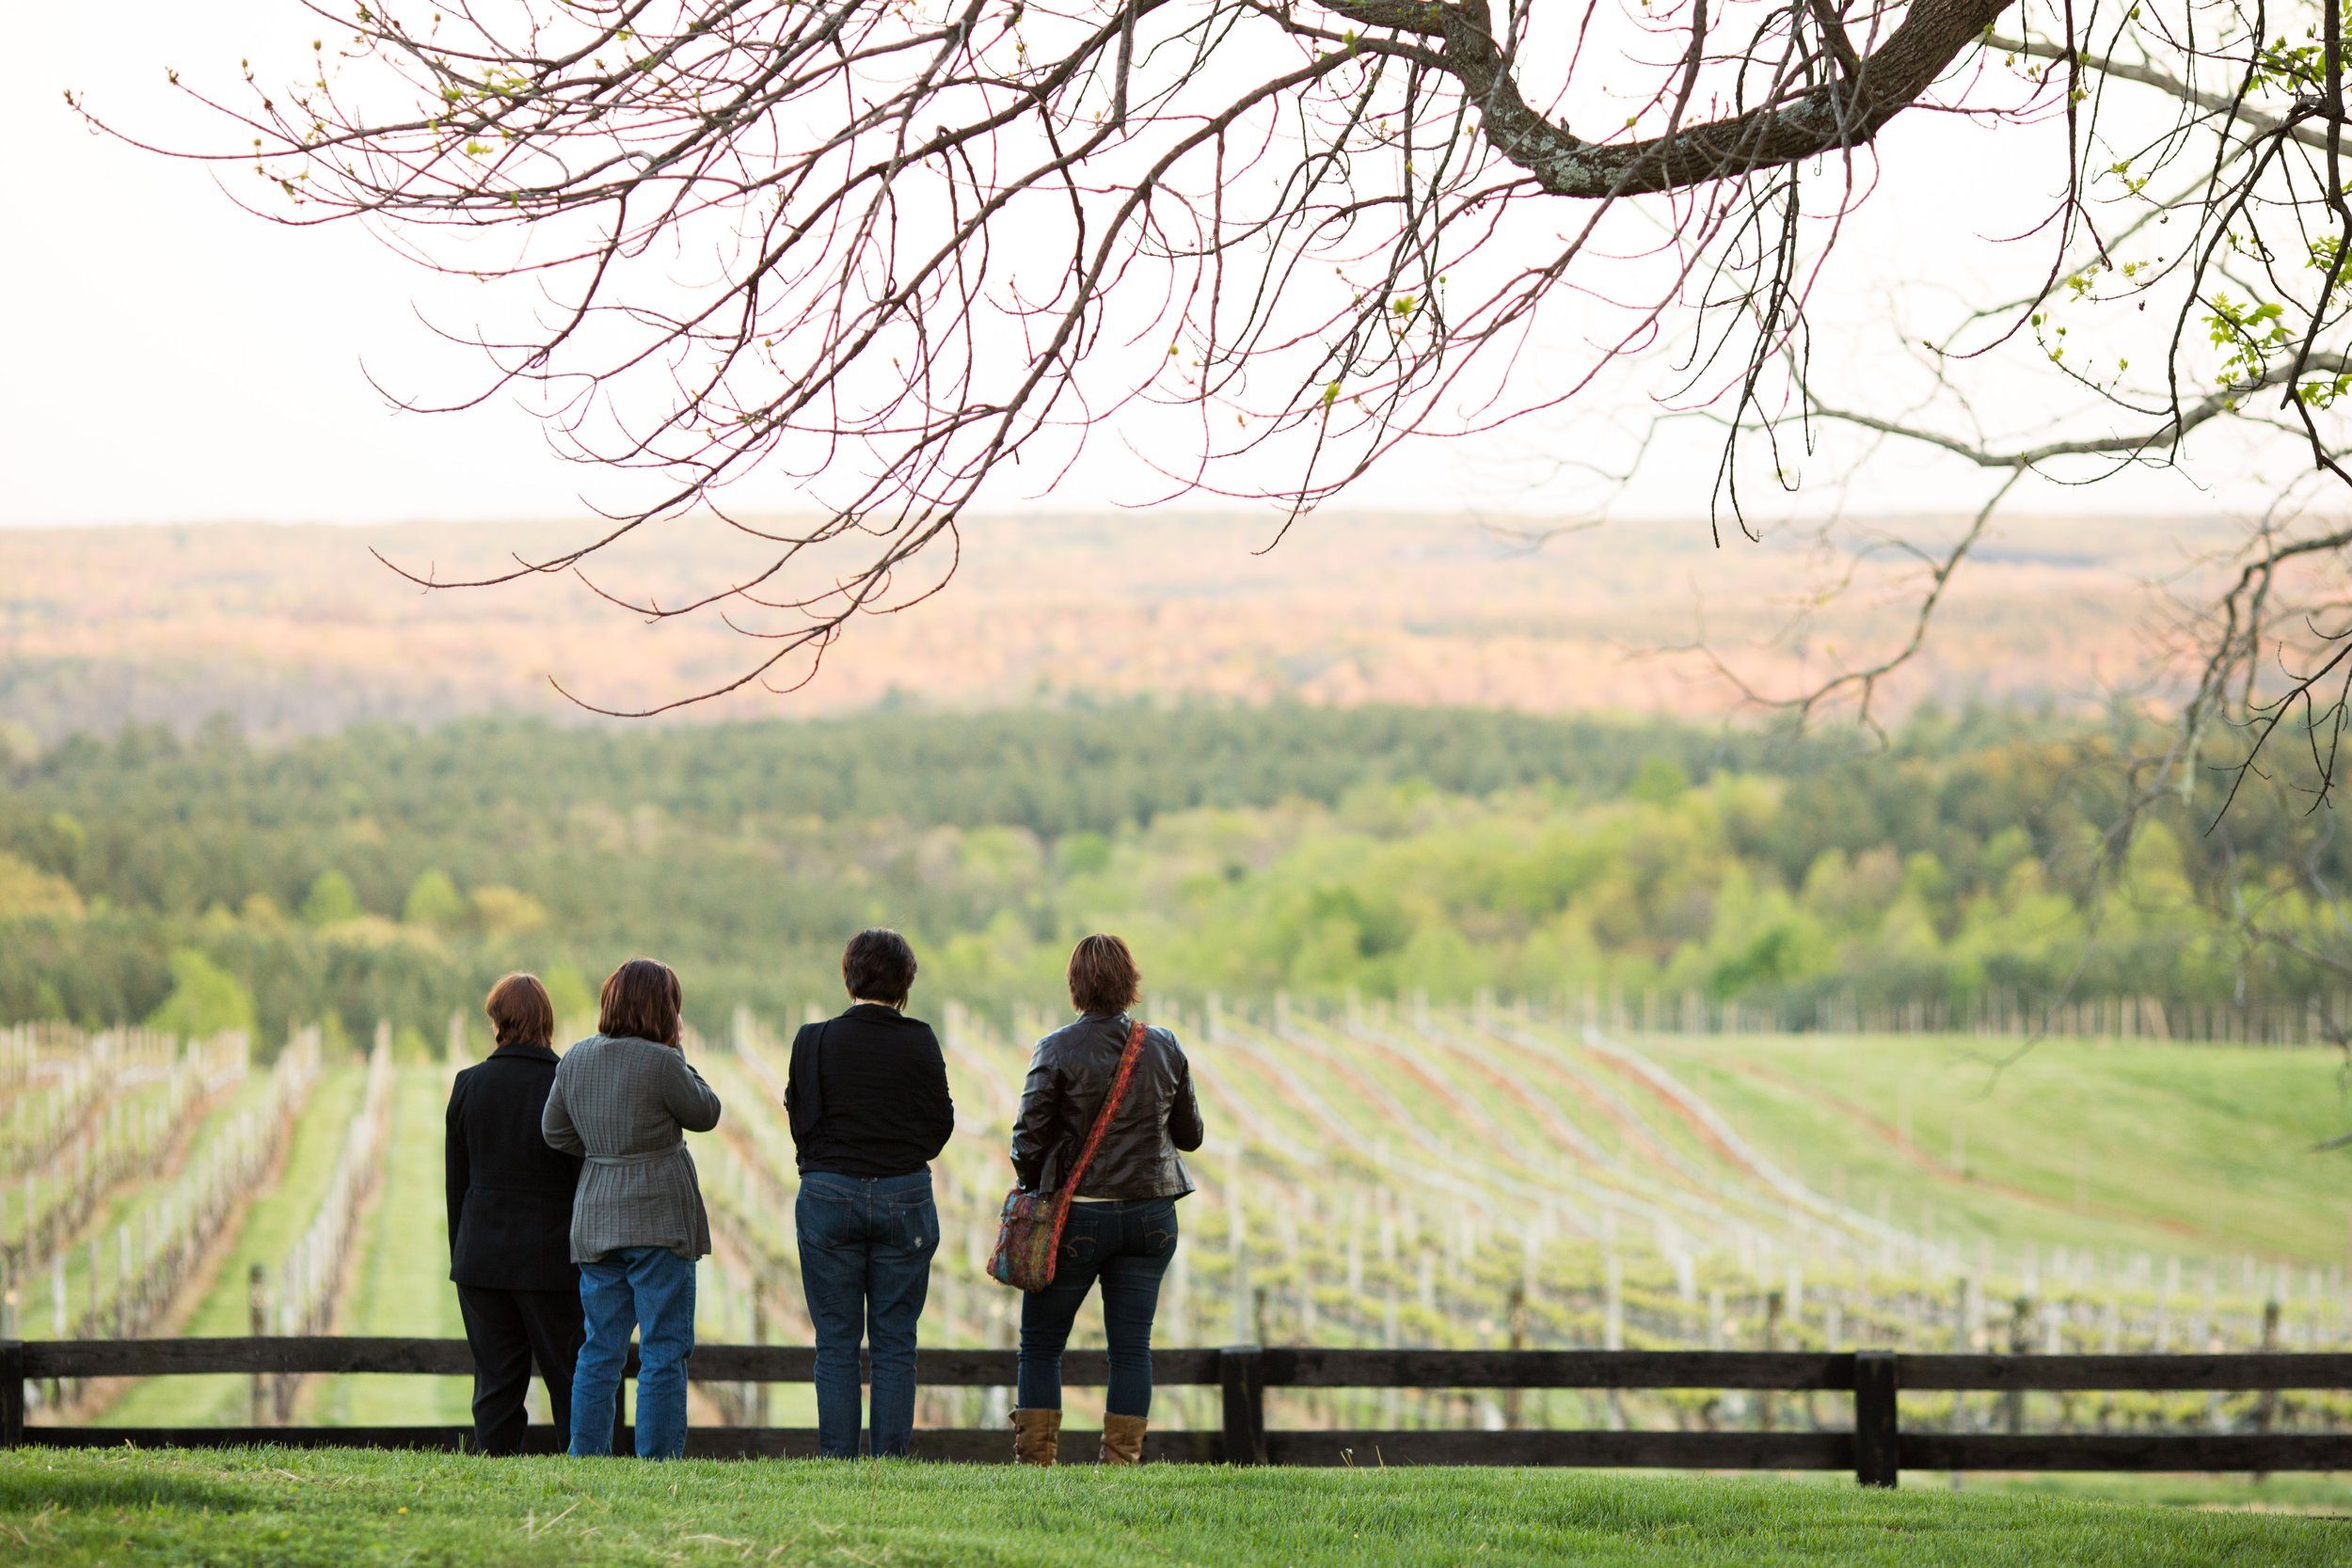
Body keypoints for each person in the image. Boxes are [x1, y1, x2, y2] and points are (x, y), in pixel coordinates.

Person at [1008, 933, 1204, 1466]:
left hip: (1077, 1217)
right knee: (1131, 1347)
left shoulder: (1056, 1047)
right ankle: (1119, 1467)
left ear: (1075, 986)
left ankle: (1037, 1466)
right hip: (1151, 1218)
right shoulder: (1164, 1044)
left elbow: (1026, 1141)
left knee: (1042, 1345)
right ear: (1130, 983)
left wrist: (1039, 1185)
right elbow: (1190, 1136)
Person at [542, 958, 723, 1461]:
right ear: (666, 1010)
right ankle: (657, 1462)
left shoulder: (575, 1057)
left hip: (596, 1216)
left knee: (599, 1347)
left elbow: (553, 1131)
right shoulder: (664, 1063)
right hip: (660, 1219)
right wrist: (679, 1049)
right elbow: (706, 1112)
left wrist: (605, 1150)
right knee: (664, 1346)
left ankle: (588, 1455)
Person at [787, 928, 954, 1458]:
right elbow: (941, 1125)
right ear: (906, 983)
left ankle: (838, 1462)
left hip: (828, 1194)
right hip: (905, 1196)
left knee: (835, 1341)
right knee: (895, 1342)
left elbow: (801, 1121)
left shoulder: (812, 1039)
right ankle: (890, 1463)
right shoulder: (920, 1039)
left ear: (848, 975)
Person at [446, 973, 596, 1455]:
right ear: (547, 1023)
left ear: (497, 1021)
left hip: (482, 1258)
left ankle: (494, 1480)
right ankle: (587, 1481)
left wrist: (464, 1253)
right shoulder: (566, 1084)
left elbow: (457, 1186)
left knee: (495, 1386)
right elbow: (582, 1178)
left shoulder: (468, 1086)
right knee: (572, 1382)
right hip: (552, 1259)